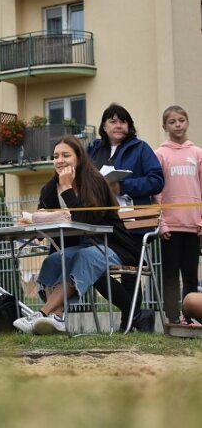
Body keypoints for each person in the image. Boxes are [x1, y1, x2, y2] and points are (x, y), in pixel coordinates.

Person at [13, 136, 139, 335]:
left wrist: (68, 190)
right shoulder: (49, 188)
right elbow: (43, 216)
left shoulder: (95, 181)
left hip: (113, 245)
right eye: (55, 156)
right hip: (81, 245)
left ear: (78, 158)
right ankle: (57, 318)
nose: (59, 160)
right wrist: (32, 223)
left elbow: (87, 220)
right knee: (53, 260)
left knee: (85, 257)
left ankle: (41, 314)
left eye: (66, 155)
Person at [88, 103, 164, 332]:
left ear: (129, 126)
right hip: (102, 222)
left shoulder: (140, 148)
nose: (118, 125)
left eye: (123, 121)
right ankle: (136, 315)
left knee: (131, 274)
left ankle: (127, 323)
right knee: (91, 265)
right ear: (103, 126)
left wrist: (124, 186)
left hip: (134, 224)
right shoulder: (92, 150)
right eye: (112, 121)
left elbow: (157, 180)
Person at [154, 105, 202, 324]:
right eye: (172, 122)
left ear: (187, 122)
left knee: (191, 274)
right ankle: (172, 318)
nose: (178, 125)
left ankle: (191, 317)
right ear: (165, 126)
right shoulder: (160, 154)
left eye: (181, 120)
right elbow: (156, 193)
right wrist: (161, 223)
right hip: (170, 228)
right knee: (171, 274)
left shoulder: (197, 153)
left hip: (194, 226)